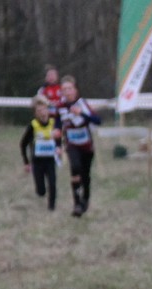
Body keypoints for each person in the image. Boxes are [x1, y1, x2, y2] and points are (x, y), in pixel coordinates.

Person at [57, 75, 101, 217]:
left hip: (87, 146)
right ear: (62, 92)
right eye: (64, 89)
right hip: (72, 145)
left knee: (85, 175)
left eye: (70, 88)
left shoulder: (82, 104)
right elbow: (57, 125)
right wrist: (57, 140)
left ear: (75, 90)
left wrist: (81, 113)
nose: (67, 92)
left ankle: (85, 199)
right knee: (75, 169)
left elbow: (98, 120)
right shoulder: (60, 107)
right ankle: (77, 204)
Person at [19, 95, 60, 211]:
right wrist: (26, 162)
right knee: (41, 191)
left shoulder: (53, 123)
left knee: (52, 184)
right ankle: (41, 192)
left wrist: (59, 147)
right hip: (37, 161)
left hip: (50, 159)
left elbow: (60, 138)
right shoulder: (33, 126)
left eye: (44, 109)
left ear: (48, 110)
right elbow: (23, 144)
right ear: (35, 113)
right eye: (39, 111)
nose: (42, 113)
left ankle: (51, 208)